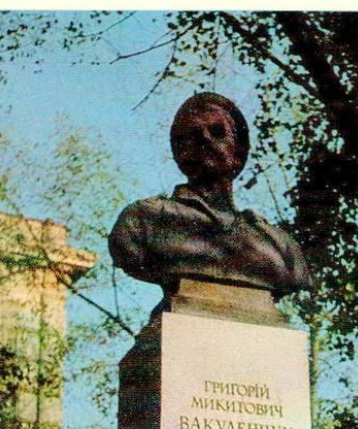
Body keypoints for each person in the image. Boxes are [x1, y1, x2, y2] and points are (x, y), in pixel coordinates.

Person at [108, 93, 312, 302]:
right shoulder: (144, 220)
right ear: (179, 151)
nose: (205, 139)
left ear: (239, 151)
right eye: (194, 135)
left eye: (217, 132)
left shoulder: (281, 245)